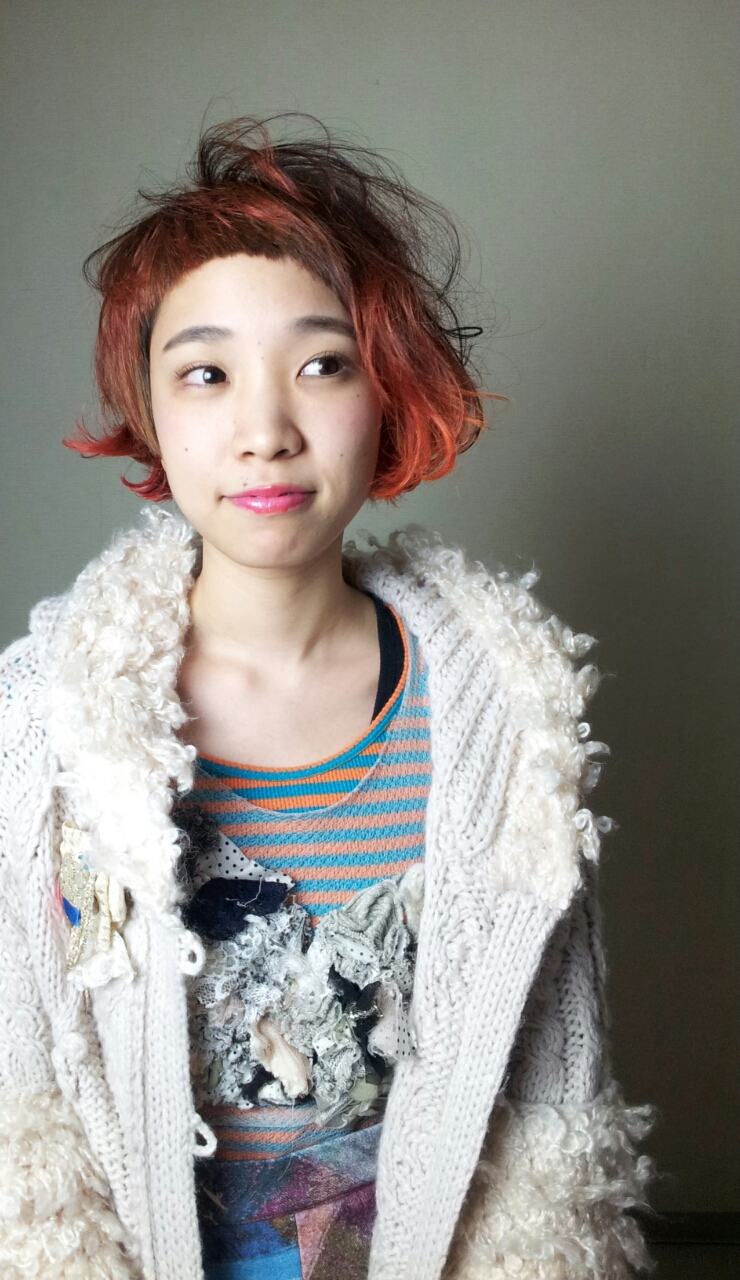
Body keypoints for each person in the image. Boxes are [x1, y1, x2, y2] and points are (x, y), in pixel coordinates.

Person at [0, 117, 654, 1280]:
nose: (264, 431)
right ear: (149, 409)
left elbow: (557, 1110)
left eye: (321, 364)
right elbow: (21, 1102)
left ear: (385, 389)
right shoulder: (46, 721)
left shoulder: (506, 715)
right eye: (205, 373)